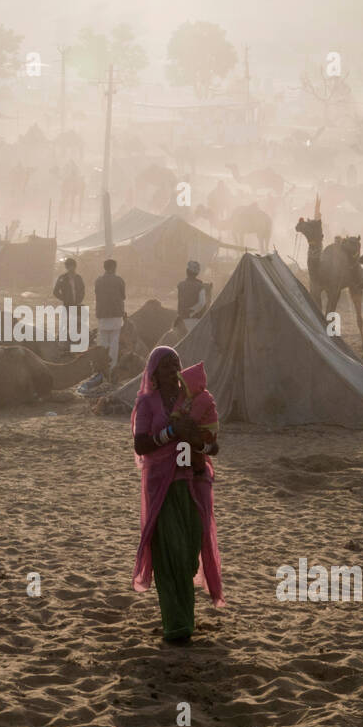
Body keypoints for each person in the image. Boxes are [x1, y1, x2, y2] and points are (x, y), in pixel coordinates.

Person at [131, 346, 223, 643]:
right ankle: (177, 625)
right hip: (162, 486)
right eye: (167, 366)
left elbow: (213, 447)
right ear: (154, 373)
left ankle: (185, 617)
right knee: (170, 554)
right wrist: (171, 432)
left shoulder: (193, 401)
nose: (173, 370)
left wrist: (198, 441)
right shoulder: (147, 404)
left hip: (192, 483)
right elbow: (141, 446)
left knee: (189, 551)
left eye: (177, 364)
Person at [95, 258, 126, 370]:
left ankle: (103, 365)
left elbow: (97, 295)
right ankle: (112, 366)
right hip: (116, 314)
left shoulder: (98, 281)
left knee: (103, 341)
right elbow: (123, 296)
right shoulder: (119, 280)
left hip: (102, 314)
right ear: (113, 268)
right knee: (114, 341)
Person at [52, 257, 85, 341]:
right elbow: (55, 291)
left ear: (75, 266)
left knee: (77, 325)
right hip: (66, 305)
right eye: (69, 266)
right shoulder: (62, 278)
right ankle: (60, 342)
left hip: (77, 305)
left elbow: (82, 290)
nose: (71, 268)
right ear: (66, 267)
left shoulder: (78, 278)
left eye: (72, 266)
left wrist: (79, 299)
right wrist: (64, 298)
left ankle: (74, 342)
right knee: (65, 324)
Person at [176, 260, 210, 335]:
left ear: (187, 271)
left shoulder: (180, 285)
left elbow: (180, 302)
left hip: (182, 321)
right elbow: (201, 304)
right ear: (197, 273)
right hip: (195, 321)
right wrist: (191, 312)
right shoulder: (200, 287)